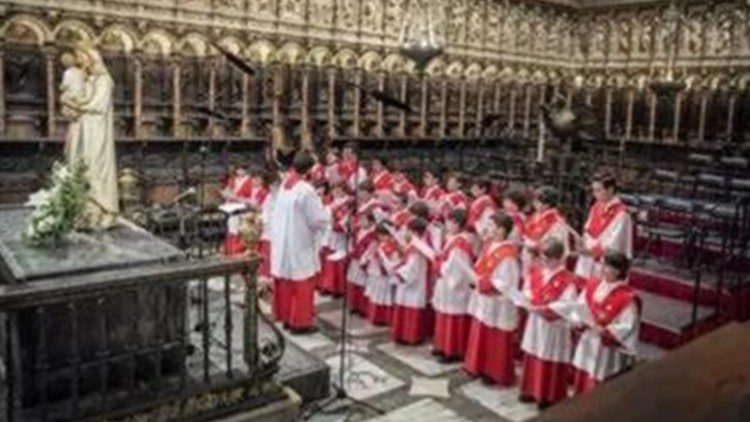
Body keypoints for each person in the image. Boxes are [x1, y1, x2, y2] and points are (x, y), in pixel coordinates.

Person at [268, 150, 331, 333]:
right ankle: (301, 323)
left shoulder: (285, 184)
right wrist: (327, 210)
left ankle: (287, 317)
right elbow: (317, 219)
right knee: (302, 284)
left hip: (284, 241)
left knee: (287, 281)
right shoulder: (305, 189)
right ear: (309, 170)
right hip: (299, 242)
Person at [62, 43, 119, 229]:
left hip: (97, 131)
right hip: (86, 129)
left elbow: (97, 106)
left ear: (91, 58)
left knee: (96, 166)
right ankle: (84, 211)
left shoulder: (104, 80)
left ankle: (102, 210)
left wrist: (74, 105)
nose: (80, 61)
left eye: (82, 57)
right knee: (83, 166)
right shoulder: (90, 79)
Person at [570, 250, 641, 395]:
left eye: (605, 266)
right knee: (584, 375)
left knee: (600, 382)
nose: (601, 269)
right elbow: (579, 306)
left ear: (617, 271)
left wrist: (606, 331)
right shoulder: (593, 285)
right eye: (601, 264)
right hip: (589, 340)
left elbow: (627, 325)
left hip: (605, 348)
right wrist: (579, 320)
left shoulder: (626, 297)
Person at [519, 238, 579, 409]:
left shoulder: (567, 280)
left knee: (549, 356)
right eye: (543, 259)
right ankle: (530, 389)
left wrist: (548, 309)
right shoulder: (537, 271)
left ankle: (548, 395)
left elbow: (569, 304)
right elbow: (528, 288)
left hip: (553, 326)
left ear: (559, 258)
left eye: (548, 259)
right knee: (534, 352)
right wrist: (528, 299)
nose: (544, 262)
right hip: (536, 321)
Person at [463, 212, 520, 387]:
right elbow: (480, 265)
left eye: (493, 226)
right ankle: (477, 366)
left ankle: (494, 372)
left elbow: (507, 282)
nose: (489, 229)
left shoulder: (508, 254)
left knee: (496, 338)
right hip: (484, 297)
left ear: (502, 230)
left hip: (497, 301)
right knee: (482, 331)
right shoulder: (490, 245)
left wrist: (486, 283)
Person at [432, 209, 475, 362]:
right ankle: (442, 345)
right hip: (445, 282)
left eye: (450, 222)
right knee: (444, 315)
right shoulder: (452, 238)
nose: (447, 225)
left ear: (458, 224)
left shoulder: (460, 243)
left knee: (453, 319)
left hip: (454, 285)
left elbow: (457, 267)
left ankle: (453, 351)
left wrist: (439, 265)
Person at [575, 173, 633, 279]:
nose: (594, 194)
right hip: (587, 258)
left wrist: (592, 251)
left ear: (610, 189)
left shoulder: (622, 214)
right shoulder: (596, 206)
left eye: (598, 190)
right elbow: (588, 229)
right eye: (593, 190)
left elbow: (615, 244)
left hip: (603, 262)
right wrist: (582, 242)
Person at [390, 217, 434, 345]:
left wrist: (398, 271)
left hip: (413, 284)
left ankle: (410, 336)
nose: (405, 233)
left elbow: (412, 269)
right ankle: (404, 335)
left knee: (411, 308)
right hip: (411, 282)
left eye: (407, 230)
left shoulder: (417, 248)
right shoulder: (415, 245)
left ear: (414, 232)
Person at [522, 186, 569, 284]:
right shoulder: (534, 217)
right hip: (530, 259)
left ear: (547, 205)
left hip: (545, 261)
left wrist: (538, 249)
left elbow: (557, 246)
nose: (534, 204)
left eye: (537, 201)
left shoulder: (557, 222)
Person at [319, 182, 352, 296]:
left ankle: (338, 288)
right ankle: (327, 286)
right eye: (334, 190)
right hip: (329, 235)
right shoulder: (331, 202)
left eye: (339, 189)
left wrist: (338, 223)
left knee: (337, 262)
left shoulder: (348, 203)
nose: (336, 192)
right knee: (327, 259)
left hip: (340, 236)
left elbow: (346, 219)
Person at [365, 223, 401, 326]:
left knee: (384, 297)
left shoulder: (393, 247)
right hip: (376, 274)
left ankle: (383, 319)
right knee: (376, 295)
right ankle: (374, 317)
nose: (381, 237)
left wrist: (382, 257)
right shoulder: (378, 245)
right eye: (379, 235)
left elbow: (394, 263)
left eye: (384, 235)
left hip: (385, 277)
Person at [346, 212, 378, 316]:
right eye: (361, 220)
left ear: (372, 222)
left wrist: (364, 260)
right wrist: (351, 251)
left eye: (364, 220)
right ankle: (353, 305)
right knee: (353, 283)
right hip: (355, 260)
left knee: (362, 285)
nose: (361, 222)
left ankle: (362, 308)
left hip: (363, 262)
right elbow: (351, 242)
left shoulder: (373, 235)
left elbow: (371, 249)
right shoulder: (357, 231)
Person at [220, 165, 254, 256]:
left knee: (240, 229)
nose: (239, 171)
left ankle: (239, 249)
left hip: (243, 208)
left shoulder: (249, 180)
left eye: (241, 169)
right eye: (238, 169)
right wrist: (226, 195)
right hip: (232, 207)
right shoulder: (233, 180)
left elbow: (250, 196)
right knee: (232, 227)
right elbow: (228, 191)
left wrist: (237, 198)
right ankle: (230, 249)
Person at [258, 169, 280, 279]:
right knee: (266, 250)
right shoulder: (269, 196)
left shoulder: (282, 196)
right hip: (268, 227)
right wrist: (263, 219)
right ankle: (265, 272)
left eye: (275, 185)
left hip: (278, 228)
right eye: (271, 185)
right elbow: (264, 210)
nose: (273, 187)